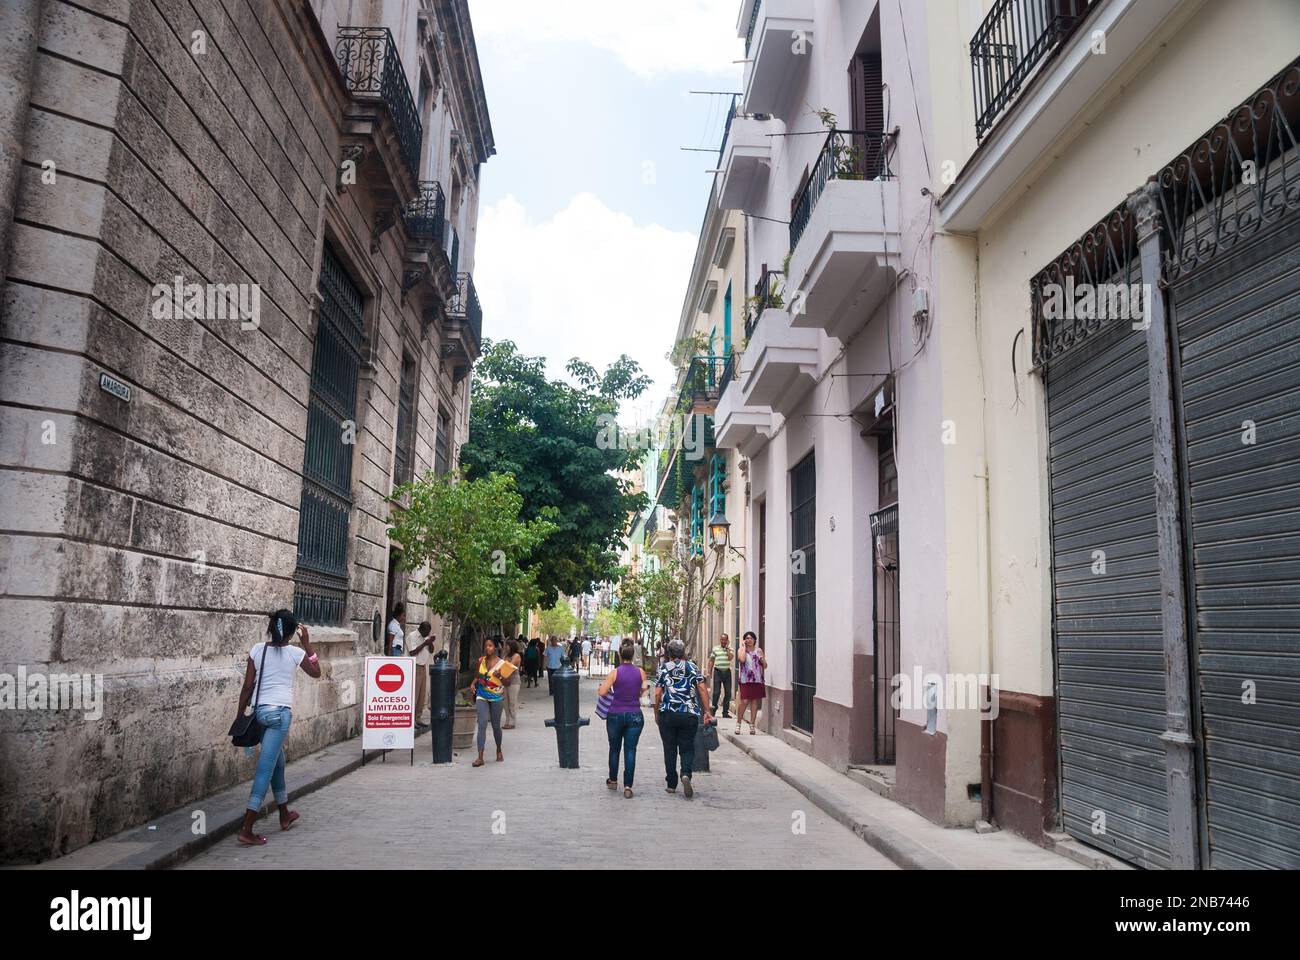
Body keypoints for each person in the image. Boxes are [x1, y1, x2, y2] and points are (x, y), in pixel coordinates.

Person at [234, 610, 322, 846]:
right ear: (292, 633)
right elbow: (317, 673)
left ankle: (284, 814)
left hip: (260, 713)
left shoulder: (257, 649)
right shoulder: (295, 653)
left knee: (277, 763)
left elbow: (247, 686)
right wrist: (309, 646)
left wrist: (240, 714)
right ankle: (247, 828)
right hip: (279, 716)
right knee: (265, 769)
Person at [653, 639, 713, 798]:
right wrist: (707, 710)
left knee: (669, 748)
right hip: (689, 713)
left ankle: (671, 784)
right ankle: (686, 774)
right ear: (683, 652)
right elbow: (702, 689)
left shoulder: (664, 668)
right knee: (687, 747)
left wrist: (656, 712)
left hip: (668, 713)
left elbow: (658, 693)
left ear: (670, 653)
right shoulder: (692, 667)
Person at [598, 641, 646, 798]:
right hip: (635, 714)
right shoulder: (641, 672)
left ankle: (612, 780)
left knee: (614, 748)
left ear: (620, 655)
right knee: (630, 750)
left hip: (615, 714)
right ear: (632, 656)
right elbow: (645, 692)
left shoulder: (615, 672)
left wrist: (602, 688)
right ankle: (628, 786)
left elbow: (602, 692)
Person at [468, 636, 511, 767]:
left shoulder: (502, 664)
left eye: (490, 645)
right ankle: (480, 757)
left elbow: (507, 683)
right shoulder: (481, 661)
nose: (488, 648)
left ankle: (498, 749)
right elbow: (478, 675)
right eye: (486, 646)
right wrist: (473, 683)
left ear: (495, 648)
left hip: (497, 697)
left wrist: (500, 676)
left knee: (496, 726)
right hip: (481, 695)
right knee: (481, 724)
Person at [735, 631, 766, 734]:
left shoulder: (759, 650)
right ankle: (738, 723)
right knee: (744, 701)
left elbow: (765, 666)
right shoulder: (741, 650)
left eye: (751, 638)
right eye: (747, 638)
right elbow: (742, 660)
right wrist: (743, 646)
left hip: (757, 680)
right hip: (745, 680)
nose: (749, 640)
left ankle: (752, 725)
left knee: (754, 702)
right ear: (744, 640)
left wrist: (762, 660)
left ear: (754, 640)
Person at [409, 621, 436, 730]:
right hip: (415, 665)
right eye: (426, 632)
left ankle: (418, 718)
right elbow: (412, 652)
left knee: (421, 694)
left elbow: (432, 651)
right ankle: (411, 719)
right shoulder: (412, 636)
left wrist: (430, 642)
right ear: (422, 629)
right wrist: (424, 643)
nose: (427, 634)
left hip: (423, 666)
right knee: (414, 694)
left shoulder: (426, 637)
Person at [708, 634, 734, 719]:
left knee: (728, 693)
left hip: (727, 672)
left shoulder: (730, 649)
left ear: (727, 640)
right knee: (716, 692)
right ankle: (713, 710)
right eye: (722, 639)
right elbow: (711, 660)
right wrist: (710, 671)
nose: (723, 641)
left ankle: (725, 712)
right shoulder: (715, 649)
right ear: (720, 640)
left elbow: (730, 658)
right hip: (717, 671)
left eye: (725, 640)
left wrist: (727, 649)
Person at [502, 639, 524, 730]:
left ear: (511, 647)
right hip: (504, 681)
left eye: (507, 646)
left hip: (514, 682)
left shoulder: (516, 656)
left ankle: (512, 721)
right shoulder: (505, 656)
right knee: (505, 703)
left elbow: (509, 667)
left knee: (512, 702)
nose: (505, 647)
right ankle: (507, 720)